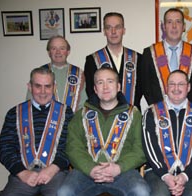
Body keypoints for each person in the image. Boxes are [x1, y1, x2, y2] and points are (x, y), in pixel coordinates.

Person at [57, 67, 149, 196]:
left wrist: (118, 167)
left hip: (123, 171)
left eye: (110, 81)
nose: (105, 87)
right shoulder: (81, 115)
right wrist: (91, 168)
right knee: (64, 192)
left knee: (142, 192)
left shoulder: (134, 114)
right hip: (86, 172)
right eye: (100, 82)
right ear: (95, 89)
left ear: (118, 86)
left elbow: (140, 149)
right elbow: (73, 147)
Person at [0, 67, 74, 196]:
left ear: (54, 87)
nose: (43, 92)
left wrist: (52, 169)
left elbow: (71, 146)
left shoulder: (66, 113)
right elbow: (5, 148)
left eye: (47, 86)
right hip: (22, 174)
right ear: (29, 86)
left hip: (56, 174)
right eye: (38, 86)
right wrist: (22, 172)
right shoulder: (15, 113)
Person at [142, 70, 192, 196]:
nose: (176, 88)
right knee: (159, 194)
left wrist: (186, 175)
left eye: (181, 84)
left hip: (190, 173)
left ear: (188, 87)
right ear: (166, 87)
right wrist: (165, 175)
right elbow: (149, 146)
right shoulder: (151, 113)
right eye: (172, 84)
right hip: (157, 172)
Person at [140, 8, 192, 106]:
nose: (174, 26)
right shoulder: (149, 53)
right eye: (169, 22)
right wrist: (157, 109)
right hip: (159, 112)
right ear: (163, 27)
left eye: (178, 22)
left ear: (184, 26)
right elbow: (146, 87)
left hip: (188, 113)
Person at [84, 12, 142, 110]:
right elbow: (91, 91)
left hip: (133, 117)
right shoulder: (92, 60)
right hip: (103, 118)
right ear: (104, 31)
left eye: (118, 27)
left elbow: (143, 89)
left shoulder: (138, 58)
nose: (113, 31)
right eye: (109, 27)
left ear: (123, 30)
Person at [26, 35, 87, 112]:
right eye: (54, 48)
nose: (58, 52)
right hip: (44, 120)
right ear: (49, 52)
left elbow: (84, 103)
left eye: (62, 48)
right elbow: (29, 101)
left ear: (68, 52)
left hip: (73, 121)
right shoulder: (39, 73)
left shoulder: (79, 74)